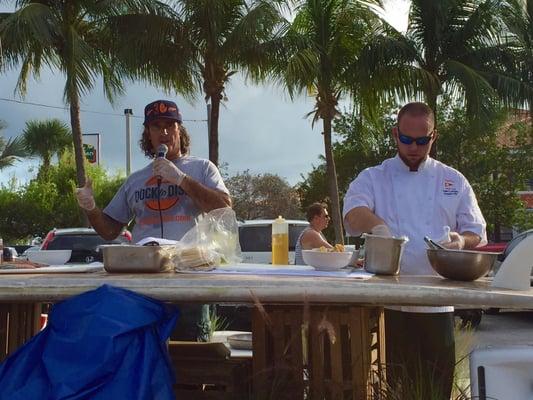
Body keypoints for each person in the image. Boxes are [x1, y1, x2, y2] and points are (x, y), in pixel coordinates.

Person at [342, 102, 486, 399]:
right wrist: (379, 227)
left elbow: (478, 233)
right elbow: (352, 214)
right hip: (391, 302)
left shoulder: (453, 180)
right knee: (396, 389)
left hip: (438, 302)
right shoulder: (375, 176)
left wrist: (461, 240)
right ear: (395, 135)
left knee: (436, 390)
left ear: (434, 136)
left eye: (422, 141)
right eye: (406, 139)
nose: (414, 147)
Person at [76, 99, 231, 341]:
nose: (165, 132)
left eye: (170, 125)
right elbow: (109, 230)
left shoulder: (202, 168)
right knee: (145, 358)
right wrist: (91, 207)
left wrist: (181, 179)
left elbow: (224, 208)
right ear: (148, 134)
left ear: (180, 130)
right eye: (157, 127)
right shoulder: (136, 180)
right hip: (143, 286)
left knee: (189, 360)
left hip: (189, 283)